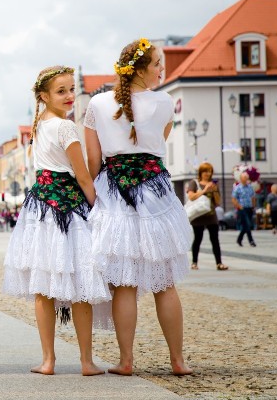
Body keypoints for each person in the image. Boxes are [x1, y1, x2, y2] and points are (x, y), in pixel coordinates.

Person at [84, 37, 193, 376]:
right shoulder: (165, 102)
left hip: (115, 190)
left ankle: (126, 360)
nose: (162, 70)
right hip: (155, 191)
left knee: (124, 283)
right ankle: (177, 360)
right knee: (165, 281)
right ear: (143, 69)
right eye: (158, 64)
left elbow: (92, 159)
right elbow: (160, 140)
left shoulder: (97, 104)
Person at [2, 66, 110, 376]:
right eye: (61, 91)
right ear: (44, 96)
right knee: (80, 285)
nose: (69, 96)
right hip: (68, 209)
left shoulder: (39, 126)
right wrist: (98, 210)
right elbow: (83, 176)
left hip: (40, 210)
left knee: (43, 286)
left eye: (71, 90)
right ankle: (86, 361)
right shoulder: (65, 128)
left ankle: (48, 360)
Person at [186, 163, 228, 271]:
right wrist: (204, 190)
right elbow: (191, 197)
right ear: (201, 172)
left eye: (209, 171)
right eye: (205, 171)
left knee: (215, 240)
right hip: (198, 216)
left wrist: (214, 191)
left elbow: (217, 202)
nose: (207, 174)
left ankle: (219, 263)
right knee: (198, 239)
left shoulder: (213, 184)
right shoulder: (194, 183)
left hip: (211, 215)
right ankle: (194, 262)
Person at [231, 172, 257, 247]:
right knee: (247, 224)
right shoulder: (238, 188)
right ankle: (251, 241)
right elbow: (233, 199)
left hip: (249, 208)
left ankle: (239, 239)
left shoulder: (250, 187)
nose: (246, 179)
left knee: (246, 225)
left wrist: (253, 205)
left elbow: (253, 197)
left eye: (246, 178)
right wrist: (239, 206)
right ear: (241, 179)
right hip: (242, 209)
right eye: (244, 178)